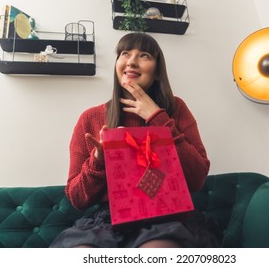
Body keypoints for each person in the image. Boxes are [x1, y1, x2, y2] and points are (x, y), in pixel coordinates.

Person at [50, 33, 220, 248]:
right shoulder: (91, 118)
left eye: (144, 55)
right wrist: (99, 160)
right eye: (125, 54)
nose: (131, 61)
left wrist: (158, 118)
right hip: (107, 221)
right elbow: (77, 199)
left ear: (157, 72)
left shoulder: (176, 109)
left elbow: (196, 179)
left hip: (166, 217)